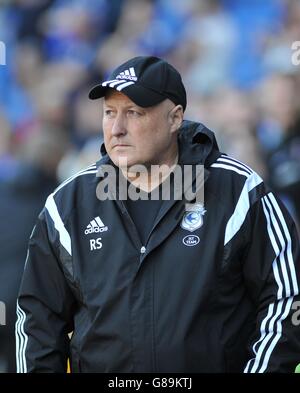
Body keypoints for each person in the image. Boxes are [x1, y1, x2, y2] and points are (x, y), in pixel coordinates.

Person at [16, 56, 300, 373]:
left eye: (133, 113)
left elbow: (287, 299)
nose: (117, 128)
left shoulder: (238, 191)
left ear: (175, 118)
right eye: (109, 113)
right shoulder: (67, 204)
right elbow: (36, 320)